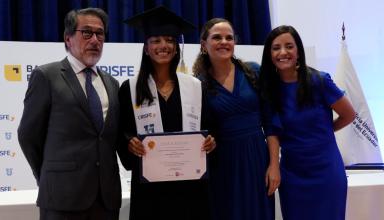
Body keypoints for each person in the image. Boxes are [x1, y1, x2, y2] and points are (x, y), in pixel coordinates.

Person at [18, 8, 124, 220]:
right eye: (86, 33)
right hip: (61, 197)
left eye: (100, 34)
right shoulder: (46, 76)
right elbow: (28, 135)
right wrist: (49, 175)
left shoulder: (112, 84)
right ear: (68, 38)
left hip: (106, 199)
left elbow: (111, 137)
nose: (95, 40)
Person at [119, 6, 216, 220]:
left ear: (176, 48)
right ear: (146, 48)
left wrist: (211, 141)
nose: (163, 46)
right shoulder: (130, 88)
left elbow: (210, 128)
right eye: (155, 40)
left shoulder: (195, 87)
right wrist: (129, 143)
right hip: (149, 188)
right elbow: (121, 132)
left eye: (169, 40)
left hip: (190, 185)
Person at [259, 25, 356, 220]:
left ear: (298, 51)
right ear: (269, 54)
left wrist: (327, 133)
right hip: (292, 174)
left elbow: (349, 114)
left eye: (289, 46)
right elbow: (271, 130)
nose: (283, 52)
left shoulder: (318, 81)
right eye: (276, 48)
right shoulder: (269, 88)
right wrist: (274, 166)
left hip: (326, 171)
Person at [193, 18, 280, 220]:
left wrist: (274, 164)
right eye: (217, 37)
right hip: (222, 164)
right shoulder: (199, 85)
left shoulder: (254, 72)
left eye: (229, 37)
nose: (224, 41)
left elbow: (270, 122)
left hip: (257, 158)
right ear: (204, 45)